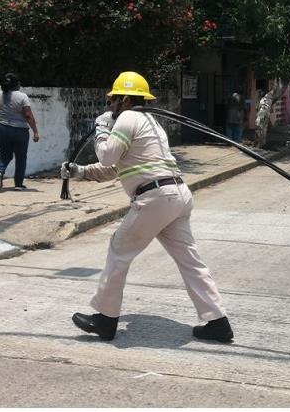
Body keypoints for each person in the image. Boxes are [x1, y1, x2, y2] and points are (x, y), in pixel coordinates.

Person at [60, 71, 233, 343]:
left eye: (113, 100)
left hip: (155, 198)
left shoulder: (128, 118)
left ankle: (105, 319)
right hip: (176, 195)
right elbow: (115, 168)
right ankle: (217, 322)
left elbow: (106, 155)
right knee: (190, 262)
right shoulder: (149, 122)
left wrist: (102, 129)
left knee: (119, 249)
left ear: (124, 99)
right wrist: (80, 171)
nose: (110, 106)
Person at [0, 73, 40, 191]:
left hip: (2, 128)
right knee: (21, 157)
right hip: (20, 130)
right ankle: (18, 184)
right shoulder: (22, 96)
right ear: (16, 84)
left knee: (4, 155)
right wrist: (35, 131)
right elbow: (28, 115)